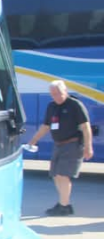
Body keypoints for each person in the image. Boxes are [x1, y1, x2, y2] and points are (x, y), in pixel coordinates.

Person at [24, 79, 94, 216]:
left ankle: (63, 206)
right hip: (59, 145)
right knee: (56, 175)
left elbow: (86, 127)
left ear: (65, 91)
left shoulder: (75, 105)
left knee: (63, 175)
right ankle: (65, 203)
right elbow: (45, 127)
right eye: (53, 94)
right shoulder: (52, 107)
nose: (57, 96)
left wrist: (88, 147)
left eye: (59, 93)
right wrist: (32, 142)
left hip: (73, 145)